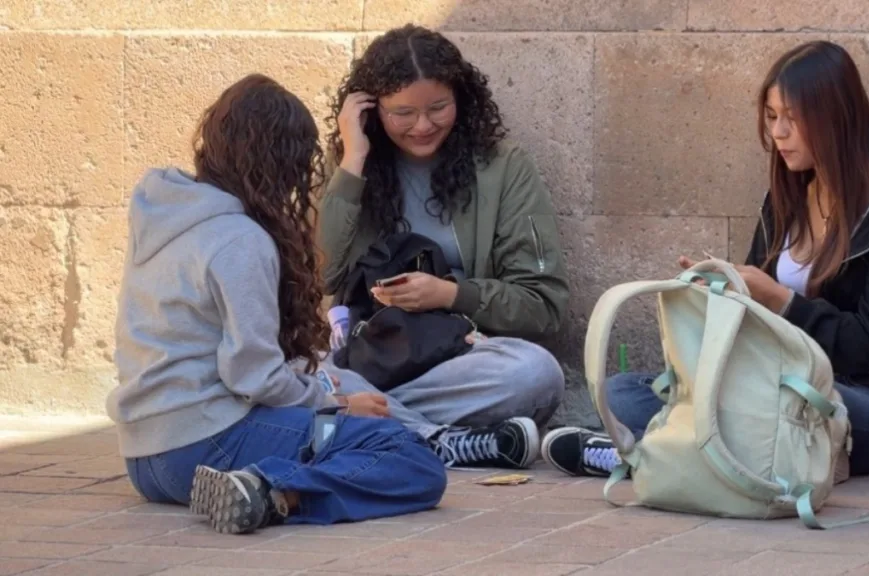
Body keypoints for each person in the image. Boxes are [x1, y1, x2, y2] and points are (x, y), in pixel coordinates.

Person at [542, 40, 869, 479]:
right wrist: (720, 292)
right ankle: (659, 452)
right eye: (771, 116)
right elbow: (755, 321)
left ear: (835, 116)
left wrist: (780, 300)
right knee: (623, 391)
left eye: (792, 117)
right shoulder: (788, 197)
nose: (778, 133)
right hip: (773, 382)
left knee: (770, 405)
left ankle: (641, 452)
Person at [106, 74, 448, 535]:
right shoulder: (239, 239)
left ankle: (259, 485)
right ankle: (271, 492)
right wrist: (336, 404)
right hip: (208, 445)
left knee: (349, 428)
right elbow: (254, 376)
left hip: (145, 461)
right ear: (280, 163)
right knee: (408, 456)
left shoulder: (166, 215)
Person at [318, 25, 569, 470]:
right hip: (366, 355)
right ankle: (438, 440)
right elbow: (322, 275)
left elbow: (543, 304)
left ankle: (369, 423)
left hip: (456, 358)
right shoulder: (349, 166)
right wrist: (353, 159)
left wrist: (450, 294)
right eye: (402, 113)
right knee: (304, 373)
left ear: (461, 98)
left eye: (438, 108)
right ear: (372, 111)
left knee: (537, 373)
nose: (422, 126)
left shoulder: (502, 168)